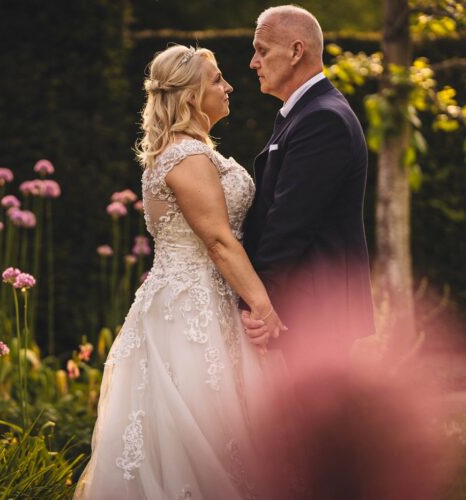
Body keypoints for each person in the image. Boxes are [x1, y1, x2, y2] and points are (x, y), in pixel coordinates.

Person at [74, 44, 283, 499]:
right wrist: (264, 304)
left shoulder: (191, 152)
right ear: (189, 95)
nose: (228, 87)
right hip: (191, 311)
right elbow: (219, 241)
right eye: (216, 80)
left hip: (202, 298)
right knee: (198, 434)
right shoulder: (185, 157)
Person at [240, 5, 375, 367]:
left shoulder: (322, 119)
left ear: (296, 51)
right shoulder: (304, 113)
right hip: (306, 305)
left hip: (315, 310)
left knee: (321, 422)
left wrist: (258, 302)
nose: (254, 62)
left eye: (262, 50)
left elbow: (288, 223)